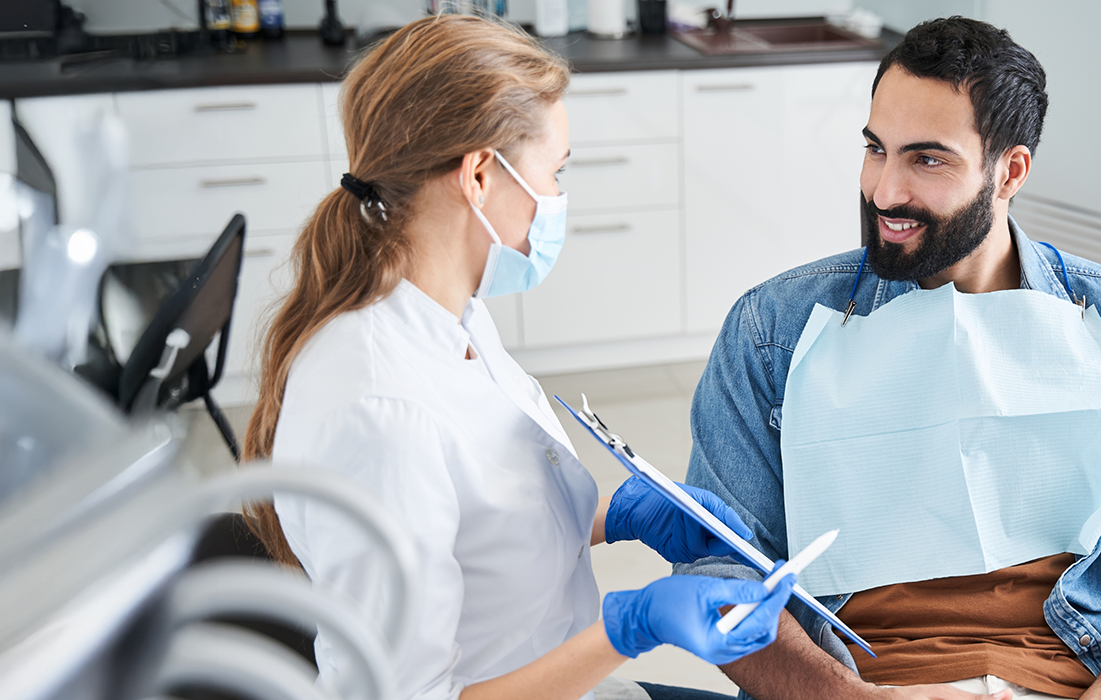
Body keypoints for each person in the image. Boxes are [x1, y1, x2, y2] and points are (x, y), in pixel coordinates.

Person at [239, 15, 796, 700]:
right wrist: (633, 629)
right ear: (478, 174)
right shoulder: (380, 410)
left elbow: (480, 526)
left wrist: (615, 516)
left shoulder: (451, 314)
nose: (559, 201)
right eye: (555, 173)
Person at [675, 16, 1101, 700]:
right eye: (877, 148)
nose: (885, 191)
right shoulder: (772, 331)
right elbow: (718, 574)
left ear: (1010, 171)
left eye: (927, 159)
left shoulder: (1095, 322)